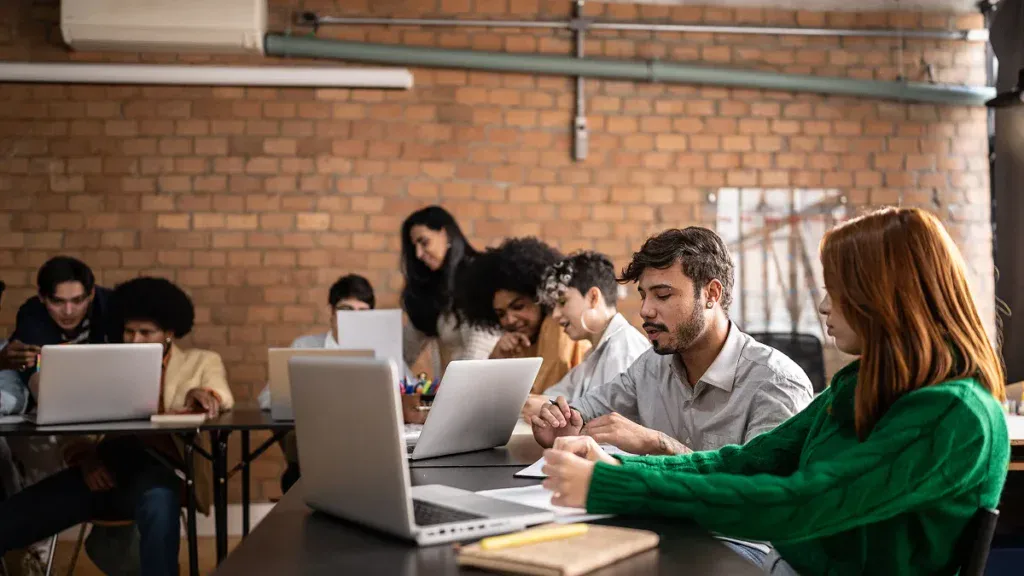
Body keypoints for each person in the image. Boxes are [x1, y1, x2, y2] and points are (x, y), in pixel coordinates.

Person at [541, 208, 1009, 576]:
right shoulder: (862, 382)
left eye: (839, 289)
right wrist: (621, 464)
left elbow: (800, 502)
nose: (825, 306)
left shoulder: (953, 413)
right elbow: (745, 461)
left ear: (889, 296)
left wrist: (617, 485)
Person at [0, 276, 234, 576]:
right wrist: (86, 459)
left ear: (169, 333)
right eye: (129, 331)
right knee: (15, 516)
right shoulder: (108, 360)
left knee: (160, 499)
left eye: (145, 332)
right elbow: (79, 425)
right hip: (104, 466)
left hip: (164, 469)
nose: (135, 340)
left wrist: (203, 395)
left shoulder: (200, 362)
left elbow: (221, 393)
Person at [533, 227, 813, 455]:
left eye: (663, 295)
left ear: (711, 294)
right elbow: (584, 410)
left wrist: (659, 444)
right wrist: (562, 424)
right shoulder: (650, 367)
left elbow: (759, 491)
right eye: (644, 295)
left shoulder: (776, 382)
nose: (645, 310)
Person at [257, 273, 377, 494]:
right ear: (331, 313)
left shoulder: (383, 349)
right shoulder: (304, 346)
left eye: (362, 311)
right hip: (317, 451)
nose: (353, 318)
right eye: (346, 310)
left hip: (368, 449)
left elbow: (411, 390)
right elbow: (266, 398)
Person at [456, 237, 590, 396]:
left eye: (518, 306)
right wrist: (496, 358)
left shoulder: (556, 327)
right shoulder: (519, 342)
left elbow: (541, 398)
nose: (509, 320)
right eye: (501, 314)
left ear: (541, 298)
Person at [523, 251, 650, 417]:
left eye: (562, 302)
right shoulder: (595, 353)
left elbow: (611, 423)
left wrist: (551, 409)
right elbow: (555, 396)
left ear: (593, 298)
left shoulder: (623, 350)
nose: (555, 315)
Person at [401, 206, 500, 378]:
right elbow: (404, 351)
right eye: (414, 247)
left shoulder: (479, 276)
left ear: (445, 233)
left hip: (480, 389)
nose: (418, 254)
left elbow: (479, 351)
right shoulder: (433, 289)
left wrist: (454, 394)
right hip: (453, 390)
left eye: (424, 242)